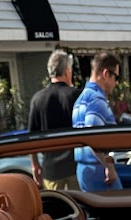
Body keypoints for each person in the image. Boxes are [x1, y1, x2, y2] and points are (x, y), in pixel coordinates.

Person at [28, 50, 80, 190]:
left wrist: (34, 165)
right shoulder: (76, 96)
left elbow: (31, 137)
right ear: (67, 71)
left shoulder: (38, 99)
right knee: (79, 202)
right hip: (75, 167)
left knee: (55, 203)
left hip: (51, 170)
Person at [72, 50, 123, 192]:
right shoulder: (96, 99)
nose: (116, 83)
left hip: (83, 168)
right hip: (99, 169)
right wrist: (109, 166)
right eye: (116, 77)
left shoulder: (80, 99)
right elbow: (93, 137)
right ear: (106, 74)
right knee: (121, 205)